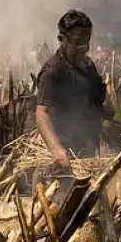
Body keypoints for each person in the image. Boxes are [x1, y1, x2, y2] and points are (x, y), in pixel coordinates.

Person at [35, 10, 113, 168]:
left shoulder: (88, 66)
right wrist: (56, 149)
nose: (84, 48)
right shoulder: (52, 71)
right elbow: (42, 113)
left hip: (89, 146)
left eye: (86, 41)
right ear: (61, 39)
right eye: (77, 42)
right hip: (66, 151)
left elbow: (99, 105)